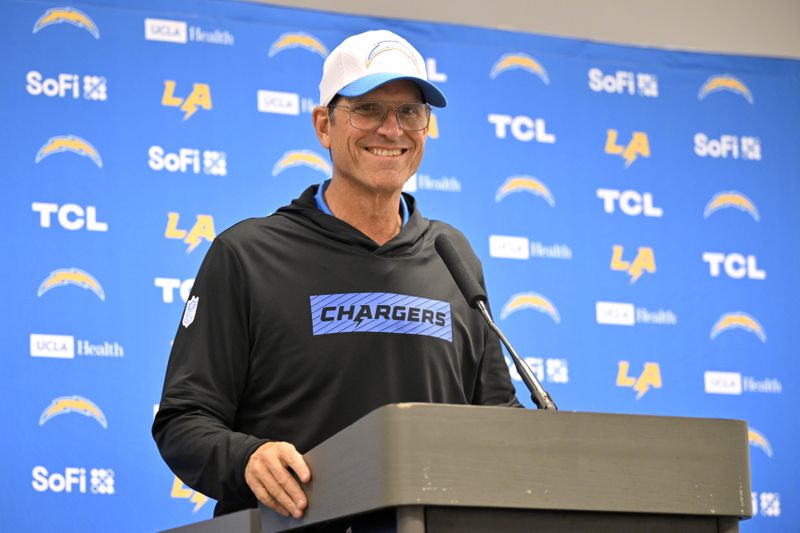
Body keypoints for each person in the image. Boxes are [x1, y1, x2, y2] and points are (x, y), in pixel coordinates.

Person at [152, 29, 520, 521]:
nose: (392, 129)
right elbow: (183, 421)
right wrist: (248, 459)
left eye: (410, 112)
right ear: (324, 126)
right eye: (368, 109)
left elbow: (497, 418)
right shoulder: (247, 255)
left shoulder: (453, 256)